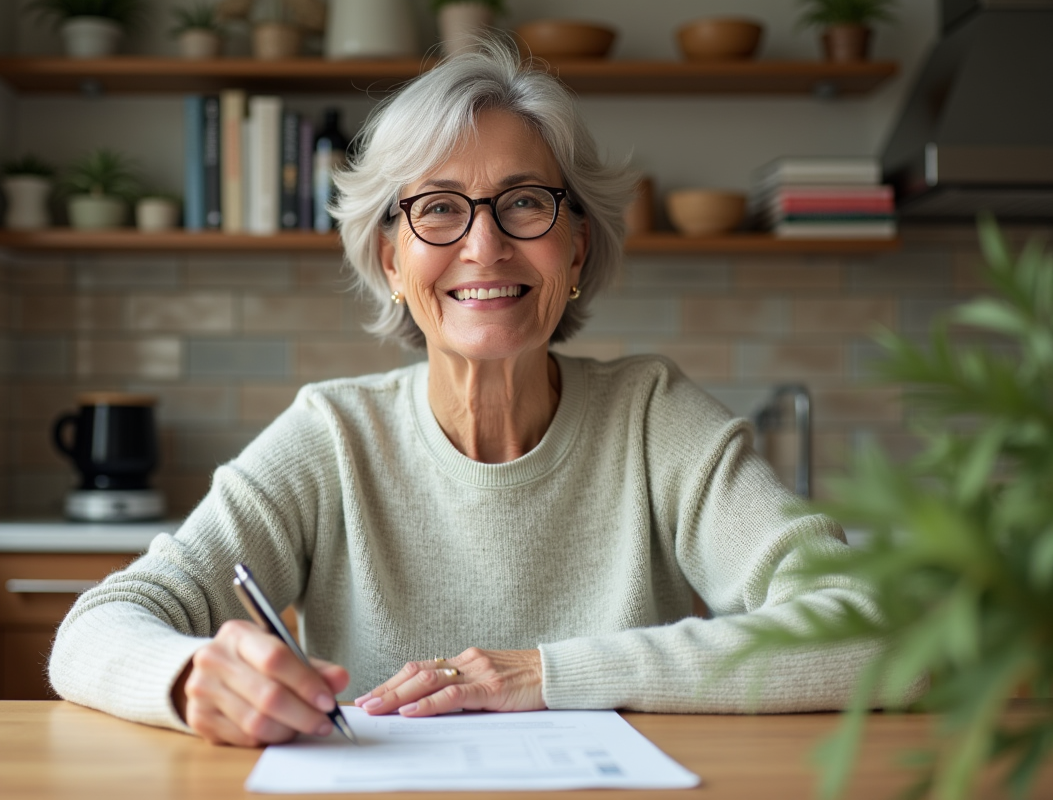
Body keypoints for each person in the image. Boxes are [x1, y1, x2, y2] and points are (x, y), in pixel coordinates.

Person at [49, 38, 891, 747]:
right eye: (440, 209)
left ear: (576, 247)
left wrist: (543, 675)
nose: (485, 246)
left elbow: (872, 629)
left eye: (524, 202)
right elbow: (98, 625)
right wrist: (192, 676)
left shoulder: (654, 419)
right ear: (392, 259)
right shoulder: (331, 435)